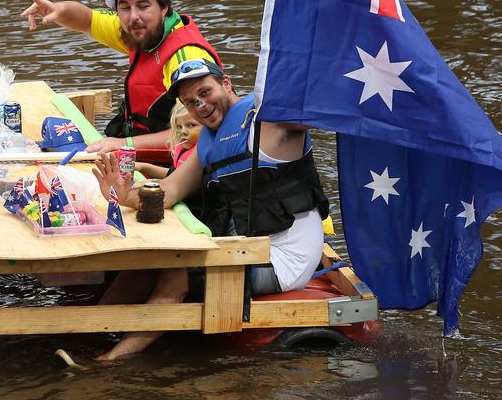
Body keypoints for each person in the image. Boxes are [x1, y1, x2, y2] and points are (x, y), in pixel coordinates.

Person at [91, 59, 330, 361]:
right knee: (148, 261)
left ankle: (109, 361)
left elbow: (321, 112)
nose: (200, 105)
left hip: (284, 259)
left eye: (205, 92)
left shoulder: (269, 122)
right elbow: (169, 191)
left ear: (226, 84)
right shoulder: (209, 142)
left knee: (176, 274)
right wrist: (124, 195)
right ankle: (92, 331)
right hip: (244, 249)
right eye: (190, 102)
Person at [21, 0, 221, 152]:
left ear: (164, 7)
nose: (133, 16)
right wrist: (58, 9)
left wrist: (122, 144)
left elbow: (200, 128)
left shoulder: (185, 59)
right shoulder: (138, 32)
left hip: (170, 165)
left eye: (143, 6)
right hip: (134, 150)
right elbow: (87, 20)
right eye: (124, 7)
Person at [135, 100, 202, 180]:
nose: (183, 132)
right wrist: (143, 167)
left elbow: (185, 183)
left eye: (191, 125)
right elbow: (173, 174)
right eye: (179, 127)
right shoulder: (181, 148)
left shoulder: (202, 154)